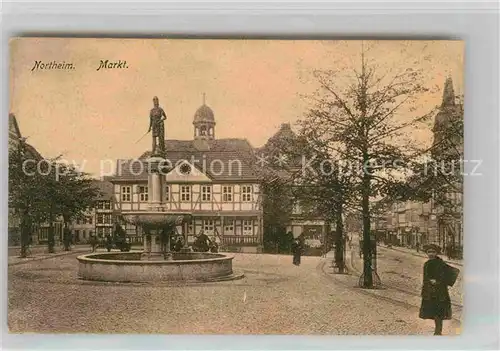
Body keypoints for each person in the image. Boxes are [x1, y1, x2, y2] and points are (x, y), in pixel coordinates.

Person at [419, 244, 459, 335]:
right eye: (429, 252)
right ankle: (437, 331)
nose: (431, 254)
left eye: (433, 252)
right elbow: (426, 278)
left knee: (438, 312)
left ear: (437, 253)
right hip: (430, 291)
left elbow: (447, 275)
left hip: (439, 292)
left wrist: (437, 281)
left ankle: (438, 332)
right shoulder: (427, 263)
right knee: (433, 311)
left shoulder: (440, 263)